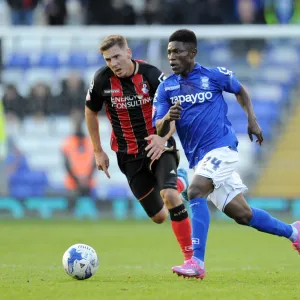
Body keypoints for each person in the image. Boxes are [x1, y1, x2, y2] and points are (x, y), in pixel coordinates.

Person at [150, 29, 300, 279]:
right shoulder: (166, 88)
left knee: (195, 190)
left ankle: (196, 262)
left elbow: (240, 90)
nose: (172, 57)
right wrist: (168, 118)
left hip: (223, 148)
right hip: (199, 159)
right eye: (169, 52)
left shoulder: (214, 75)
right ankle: (294, 233)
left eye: (177, 52)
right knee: (243, 214)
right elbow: (160, 128)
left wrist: (252, 120)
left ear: (193, 53)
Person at [85, 34, 193, 261]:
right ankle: (180, 180)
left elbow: (174, 112)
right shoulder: (102, 80)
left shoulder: (152, 76)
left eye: (116, 56)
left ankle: (191, 259)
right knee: (159, 216)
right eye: (107, 59)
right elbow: (90, 110)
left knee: (170, 195)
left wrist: (162, 139)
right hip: (127, 155)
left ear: (128, 53)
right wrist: (97, 150)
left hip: (157, 146)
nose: (113, 63)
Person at [61, 121, 96, 197]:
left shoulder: (91, 142)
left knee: (88, 207)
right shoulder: (68, 142)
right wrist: (79, 180)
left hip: (88, 184)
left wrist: (85, 179)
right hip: (72, 184)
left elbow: (95, 162)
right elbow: (66, 164)